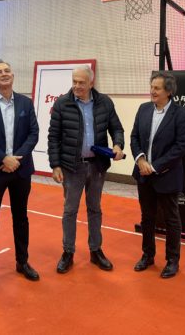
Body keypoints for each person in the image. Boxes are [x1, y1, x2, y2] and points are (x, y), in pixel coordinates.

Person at [48, 65, 125, 273]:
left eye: (81, 82)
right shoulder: (62, 103)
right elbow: (53, 137)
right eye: (74, 81)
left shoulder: (105, 102)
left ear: (91, 82)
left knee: (95, 209)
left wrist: (118, 144)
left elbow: (116, 128)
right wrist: (55, 165)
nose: (77, 86)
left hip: (97, 165)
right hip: (71, 167)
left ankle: (95, 250)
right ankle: (68, 252)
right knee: (70, 210)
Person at [0, 60, 40, 290]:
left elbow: (33, 133)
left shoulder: (26, 103)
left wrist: (15, 160)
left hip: (20, 170)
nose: (3, 74)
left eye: (6, 71)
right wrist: (4, 158)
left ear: (13, 75)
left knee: (21, 217)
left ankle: (22, 262)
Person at [130, 71, 185, 279]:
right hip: (143, 174)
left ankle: (172, 260)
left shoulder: (182, 115)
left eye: (156, 88)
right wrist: (140, 160)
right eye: (151, 87)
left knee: (171, 219)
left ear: (169, 91)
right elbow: (134, 137)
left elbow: (180, 147)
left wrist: (154, 166)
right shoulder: (143, 109)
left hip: (166, 176)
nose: (152, 91)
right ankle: (147, 255)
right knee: (147, 217)